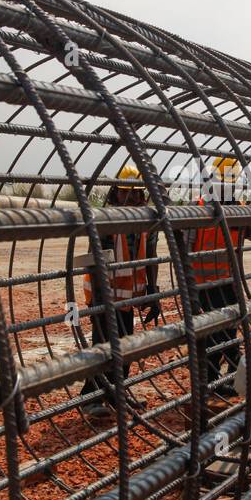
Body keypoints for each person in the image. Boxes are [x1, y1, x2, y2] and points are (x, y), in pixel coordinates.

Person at [78, 164, 161, 417]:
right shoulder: (106, 220)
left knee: (125, 350)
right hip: (104, 296)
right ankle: (90, 398)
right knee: (103, 347)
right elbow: (96, 259)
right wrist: (102, 304)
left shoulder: (146, 221)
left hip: (126, 299)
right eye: (126, 193)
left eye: (136, 194)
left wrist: (153, 291)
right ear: (115, 194)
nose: (132, 198)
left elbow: (151, 256)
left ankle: (116, 395)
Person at [190, 156, 251, 388]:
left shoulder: (240, 211)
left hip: (229, 284)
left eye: (232, 183)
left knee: (228, 330)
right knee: (213, 334)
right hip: (204, 285)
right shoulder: (197, 211)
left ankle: (223, 379)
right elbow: (184, 252)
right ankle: (212, 379)